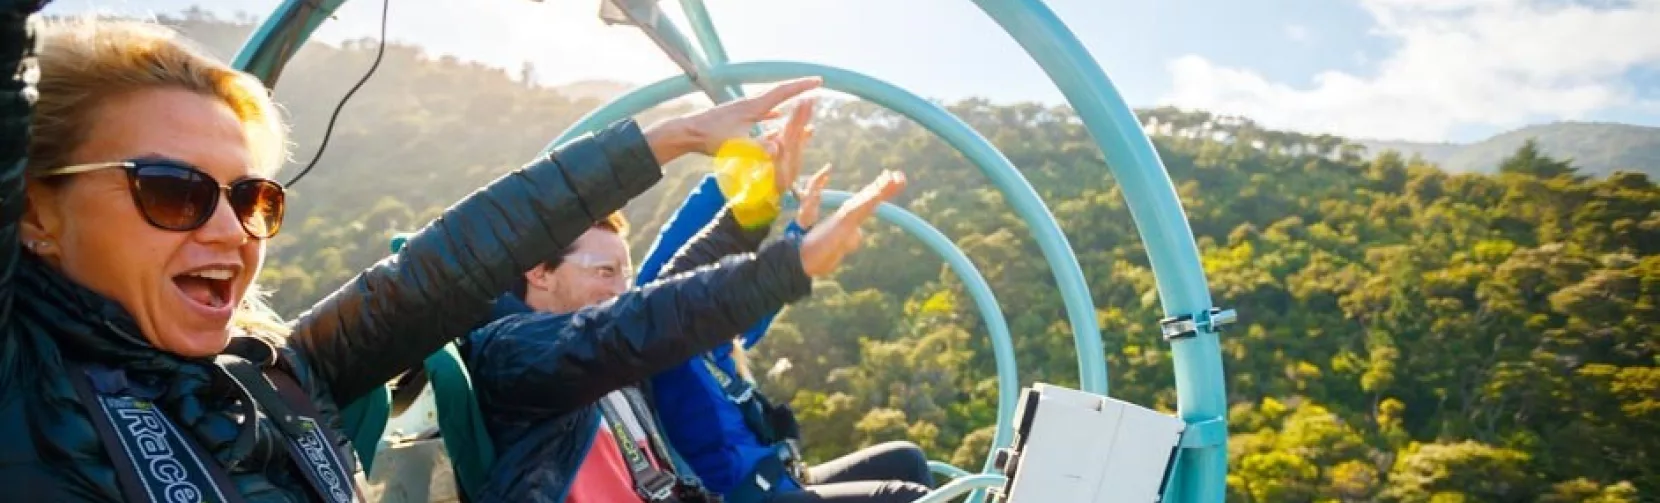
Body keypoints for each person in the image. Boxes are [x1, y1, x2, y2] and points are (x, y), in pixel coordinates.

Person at [0, 9, 824, 501]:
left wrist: (661, 144)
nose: (228, 232)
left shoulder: (275, 376)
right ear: (34, 208)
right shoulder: (21, 389)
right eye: (173, 190)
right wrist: (784, 259)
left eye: (252, 199)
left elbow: (428, 278)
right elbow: (630, 323)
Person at [461, 98, 912, 502]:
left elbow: (678, 278)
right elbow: (643, 316)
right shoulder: (516, 354)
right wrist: (788, 265)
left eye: (625, 273)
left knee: (905, 470)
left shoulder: (596, 350)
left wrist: (759, 205)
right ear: (540, 272)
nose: (620, 288)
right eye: (603, 272)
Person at [637, 101, 933, 503]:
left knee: (907, 460)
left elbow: (753, 311)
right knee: (902, 497)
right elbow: (666, 272)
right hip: (743, 496)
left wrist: (800, 231)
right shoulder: (655, 337)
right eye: (604, 271)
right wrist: (732, 183)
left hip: (774, 477)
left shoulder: (714, 342)